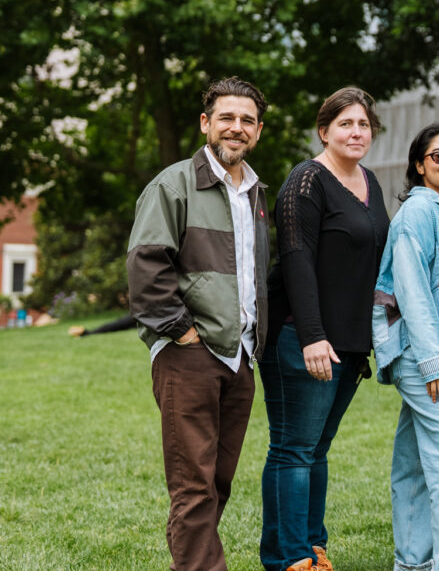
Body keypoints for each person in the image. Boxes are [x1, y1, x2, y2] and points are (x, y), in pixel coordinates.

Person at [126, 76, 269, 571]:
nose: (236, 127)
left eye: (247, 120)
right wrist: (182, 333)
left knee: (217, 481)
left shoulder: (256, 192)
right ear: (206, 123)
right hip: (189, 355)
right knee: (192, 483)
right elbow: (146, 267)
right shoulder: (173, 185)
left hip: (240, 357)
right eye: (226, 118)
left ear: (258, 130)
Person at [259, 87, 389, 571]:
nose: (356, 133)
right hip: (301, 337)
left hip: (349, 344)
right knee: (294, 449)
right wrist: (313, 335)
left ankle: (312, 546)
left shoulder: (369, 182)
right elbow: (296, 262)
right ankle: (289, 557)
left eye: (363, 125)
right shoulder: (305, 182)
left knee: (316, 449)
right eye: (346, 124)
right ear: (324, 131)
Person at [373, 123, 439, 571]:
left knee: (416, 464)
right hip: (423, 357)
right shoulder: (417, 214)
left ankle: (413, 563)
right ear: (419, 165)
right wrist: (436, 362)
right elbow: (413, 293)